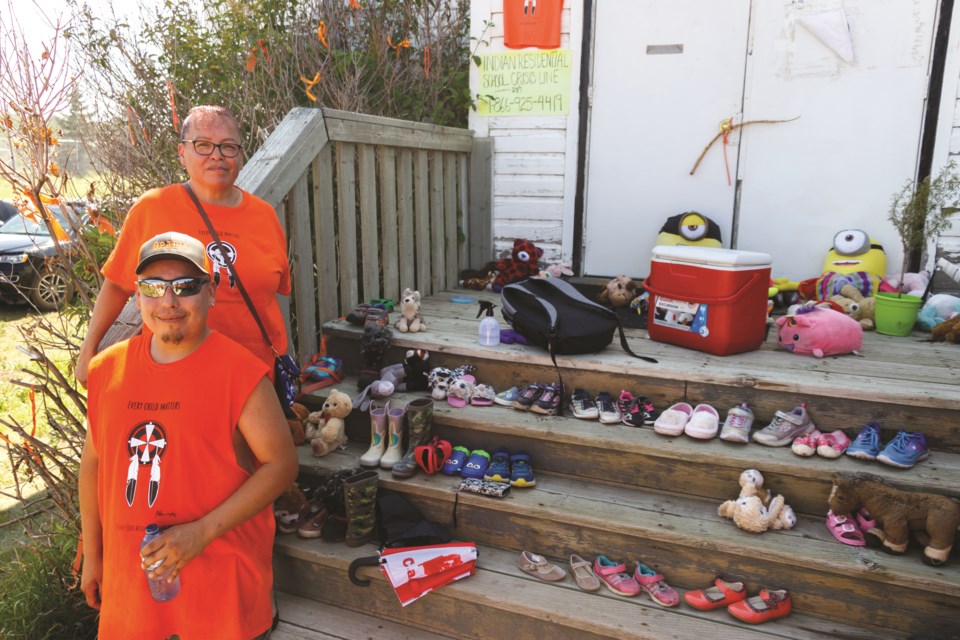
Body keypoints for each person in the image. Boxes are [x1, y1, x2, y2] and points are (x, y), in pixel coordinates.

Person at [79, 231, 299, 640]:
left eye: (185, 286)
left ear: (211, 293)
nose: (169, 301)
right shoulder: (107, 369)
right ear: (138, 295)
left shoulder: (240, 373)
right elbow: (94, 463)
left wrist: (201, 532)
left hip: (220, 593)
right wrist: (94, 554)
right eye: (153, 287)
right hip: (133, 592)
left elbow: (281, 466)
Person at [75, 105, 291, 387]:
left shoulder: (264, 216)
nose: (217, 155)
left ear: (239, 155)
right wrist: (89, 348)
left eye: (228, 147)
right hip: (175, 379)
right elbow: (117, 284)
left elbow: (274, 293)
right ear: (182, 153)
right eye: (203, 145)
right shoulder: (152, 208)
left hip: (255, 377)